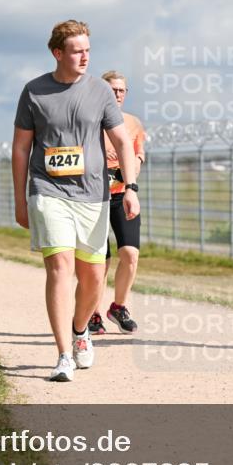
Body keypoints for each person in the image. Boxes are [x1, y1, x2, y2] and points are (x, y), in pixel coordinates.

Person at [12, 20, 141, 382]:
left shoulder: (100, 91)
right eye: (77, 50)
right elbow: (21, 148)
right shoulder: (34, 91)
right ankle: (64, 354)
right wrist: (21, 199)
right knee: (60, 268)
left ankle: (81, 329)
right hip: (48, 190)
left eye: (88, 49)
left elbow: (120, 141)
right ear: (57, 53)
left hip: (93, 195)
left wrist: (130, 188)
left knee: (93, 277)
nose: (85, 56)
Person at [88, 70, 146, 335]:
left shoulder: (133, 123)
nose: (118, 94)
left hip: (123, 194)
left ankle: (119, 307)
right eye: (112, 90)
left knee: (130, 254)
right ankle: (92, 312)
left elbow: (138, 157)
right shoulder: (89, 121)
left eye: (122, 90)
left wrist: (131, 179)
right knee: (100, 260)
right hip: (94, 197)